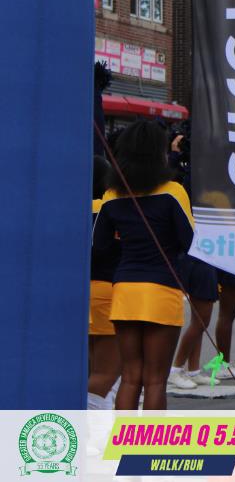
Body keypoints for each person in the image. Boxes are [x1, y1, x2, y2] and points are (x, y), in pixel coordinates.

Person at [93, 120, 193, 409]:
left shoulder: (112, 195)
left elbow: (100, 245)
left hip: (124, 290)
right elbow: (190, 242)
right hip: (162, 289)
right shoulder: (173, 191)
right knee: (155, 380)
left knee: (129, 377)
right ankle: (151, 440)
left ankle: (123, 438)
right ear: (159, 153)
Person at [89, 156, 121, 409]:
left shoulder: (66, 207)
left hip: (79, 292)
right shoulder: (112, 208)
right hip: (108, 292)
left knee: (90, 369)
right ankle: (88, 428)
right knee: (106, 374)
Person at [167, 256, 219, 389]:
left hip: (199, 261)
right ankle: (176, 369)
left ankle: (193, 371)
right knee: (201, 321)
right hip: (199, 261)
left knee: (199, 321)